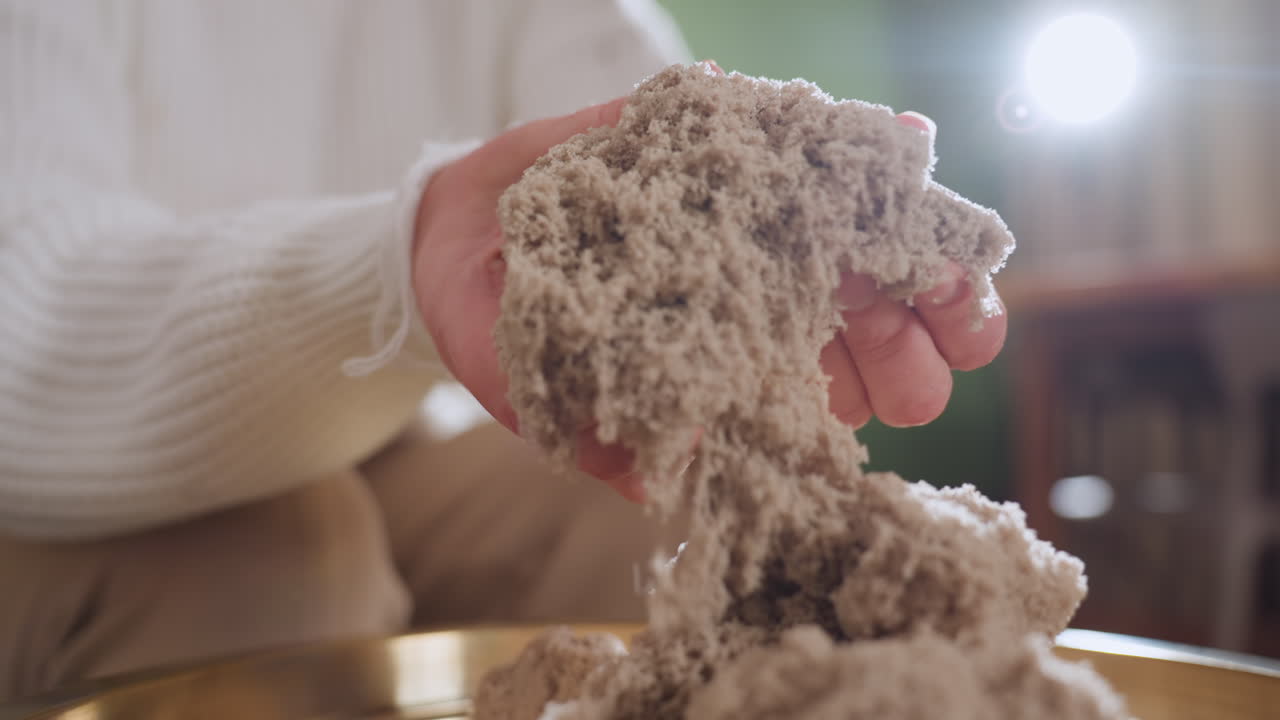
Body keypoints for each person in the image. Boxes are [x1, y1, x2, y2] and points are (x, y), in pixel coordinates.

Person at [0, 0, 1006, 702]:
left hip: (393, 443)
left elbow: (641, 114)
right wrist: (395, 261)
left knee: (659, 502)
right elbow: (23, 316)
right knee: (283, 557)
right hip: (55, 482)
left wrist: (784, 211)